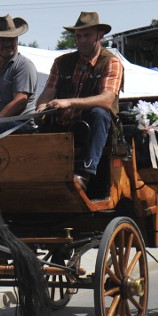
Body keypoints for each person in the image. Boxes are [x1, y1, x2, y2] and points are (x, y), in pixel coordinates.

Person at [36, 11, 123, 190]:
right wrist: (41, 108)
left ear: (100, 35)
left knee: (99, 113)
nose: (82, 40)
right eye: (78, 36)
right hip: (63, 127)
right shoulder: (61, 62)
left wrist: (69, 102)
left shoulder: (111, 63)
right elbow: (48, 92)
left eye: (87, 35)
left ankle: (84, 173)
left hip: (94, 132)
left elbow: (107, 99)